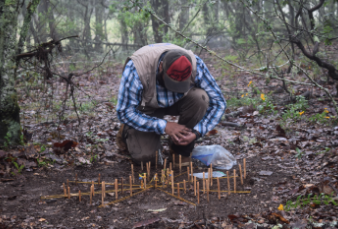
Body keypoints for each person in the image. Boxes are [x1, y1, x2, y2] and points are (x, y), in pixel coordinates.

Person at [116, 43, 226, 166]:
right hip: (146, 107)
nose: (174, 88)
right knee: (147, 159)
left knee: (200, 98)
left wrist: (197, 132)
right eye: (171, 82)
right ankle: (127, 132)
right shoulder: (136, 68)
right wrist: (164, 126)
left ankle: (180, 149)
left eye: (180, 84)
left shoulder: (196, 65)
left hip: (178, 102)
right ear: (161, 67)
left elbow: (219, 103)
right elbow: (124, 112)